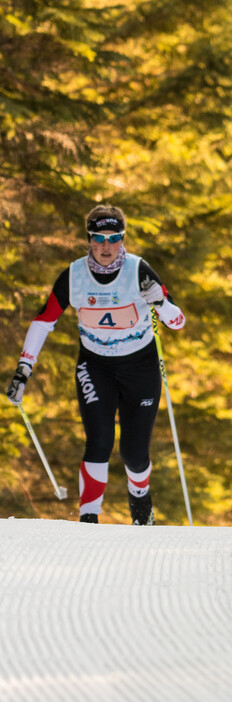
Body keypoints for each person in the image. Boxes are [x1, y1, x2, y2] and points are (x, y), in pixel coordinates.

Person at [6, 205, 186, 525]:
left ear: (122, 238)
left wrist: (161, 303)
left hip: (140, 367)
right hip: (95, 366)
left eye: (114, 238)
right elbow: (44, 320)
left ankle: (141, 502)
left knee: (133, 453)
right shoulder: (74, 276)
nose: (106, 246)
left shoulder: (139, 271)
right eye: (98, 238)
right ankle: (89, 518)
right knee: (99, 441)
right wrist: (24, 367)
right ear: (88, 239)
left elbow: (177, 322)